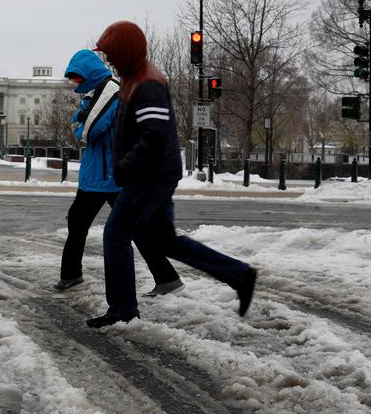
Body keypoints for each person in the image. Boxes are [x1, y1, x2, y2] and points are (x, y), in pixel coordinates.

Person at [87, 21, 257, 328]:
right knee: (165, 240)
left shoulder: (146, 83)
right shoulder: (134, 77)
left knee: (116, 235)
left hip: (149, 176)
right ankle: (239, 274)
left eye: (111, 54)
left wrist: (125, 167)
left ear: (125, 51)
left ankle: (123, 311)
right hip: (154, 174)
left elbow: (154, 135)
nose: (108, 60)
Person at [53, 50, 183, 297]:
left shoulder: (109, 91)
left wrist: (81, 122)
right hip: (99, 175)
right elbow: (78, 125)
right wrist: (80, 121)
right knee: (83, 223)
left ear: (88, 73)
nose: (74, 83)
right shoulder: (95, 93)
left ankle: (166, 278)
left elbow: (86, 132)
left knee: (103, 225)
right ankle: (166, 278)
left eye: (77, 77)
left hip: (109, 176)